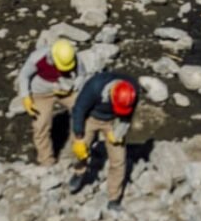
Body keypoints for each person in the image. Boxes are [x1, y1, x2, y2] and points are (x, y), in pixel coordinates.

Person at [70, 72, 139, 211]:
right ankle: (79, 172)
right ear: (112, 94)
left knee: (118, 160)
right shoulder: (95, 86)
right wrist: (78, 137)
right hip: (91, 118)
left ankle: (114, 198)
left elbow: (128, 115)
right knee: (80, 150)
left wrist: (120, 131)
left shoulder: (133, 90)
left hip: (114, 120)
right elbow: (79, 109)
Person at [16, 39, 87, 166]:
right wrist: (26, 96)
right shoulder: (38, 57)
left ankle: (75, 150)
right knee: (41, 125)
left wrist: (74, 87)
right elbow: (24, 76)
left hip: (65, 90)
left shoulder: (74, 57)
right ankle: (46, 161)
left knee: (81, 111)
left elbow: (82, 75)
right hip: (41, 93)